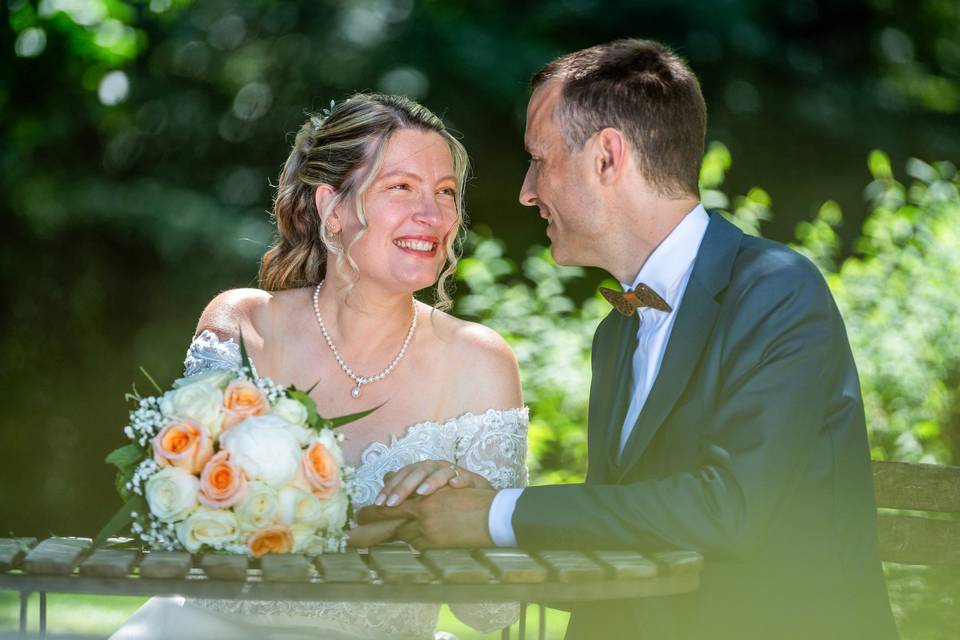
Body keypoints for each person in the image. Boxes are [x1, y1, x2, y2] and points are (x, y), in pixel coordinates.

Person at [358, 39, 899, 639]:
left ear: (607, 158)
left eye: (540, 158)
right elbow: (621, 530)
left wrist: (494, 514)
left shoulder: (776, 290)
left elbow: (729, 510)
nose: (526, 190)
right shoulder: (616, 332)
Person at [110, 93, 528, 640]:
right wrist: (347, 530)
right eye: (401, 187)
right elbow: (182, 528)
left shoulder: (480, 362)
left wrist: (473, 515)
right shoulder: (244, 326)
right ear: (331, 207)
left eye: (445, 192)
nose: (433, 215)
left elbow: (496, 614)